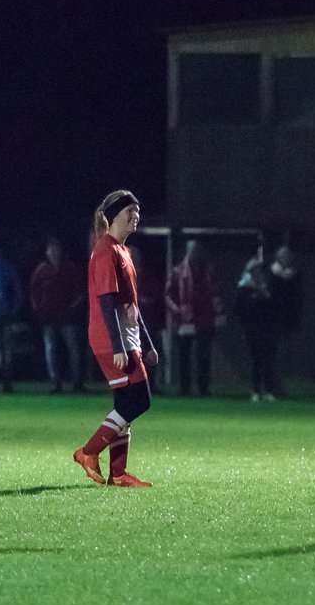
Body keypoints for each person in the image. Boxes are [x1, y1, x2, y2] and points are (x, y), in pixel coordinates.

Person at [72, 190, 157, 488]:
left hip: (127, 337)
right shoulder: (105, 250)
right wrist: (119, 345)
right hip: (113, 340)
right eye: (129, 212)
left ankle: (118, 474)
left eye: (137, 212)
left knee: (125, 403)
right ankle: (89, 451)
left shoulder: (123, 251)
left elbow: (131, 305)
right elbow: (106, 301)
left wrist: (146, 343)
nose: (135, 217)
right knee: (140, 400)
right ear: (114, 216)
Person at [165, 239, 223, 396]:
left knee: (204, 355)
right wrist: (178, 311)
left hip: (204, 319)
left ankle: (204, 388)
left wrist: (217, 314)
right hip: (185, 320)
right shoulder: (177, 272)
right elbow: (169, 295)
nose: (196, 255)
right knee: (184, 356)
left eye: (198, 251)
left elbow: (216, 294)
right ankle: (185, 388)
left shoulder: (208, 272)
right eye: (193, 251)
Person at [29, 236, 86, 393]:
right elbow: (33, 293)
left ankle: (77, 382)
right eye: (52, 250)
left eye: (57, 250)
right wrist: (38, 309)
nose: (54, 253)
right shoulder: (41, 270)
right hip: (48, 317)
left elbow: (79, 291)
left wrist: (72, 307)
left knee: (73, 349)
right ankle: (55, 383)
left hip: (67, 317)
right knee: (50, 350)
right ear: (47, 252)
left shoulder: (69, 269)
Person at [233, 256, 278, 401]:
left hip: (268, 330)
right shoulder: (244, 288)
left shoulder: (268, 288)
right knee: (257, 361)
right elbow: (240, 310)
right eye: (256, 270)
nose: (259, 273)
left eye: (260, 271)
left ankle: (269, 390)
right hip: (252, 330)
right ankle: (256, 390)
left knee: (269, 361)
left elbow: (274, 308)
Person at [0, 233, 24, 393]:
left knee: (4, 349)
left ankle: (6, 382)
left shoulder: (5, 266)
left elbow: (15, 288)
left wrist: (14, 306)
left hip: (3, 313)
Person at [268, 244, 302, 396]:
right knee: (272, 356)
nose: (286, 259)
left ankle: (277, 386)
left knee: (281, 357)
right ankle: (271, 386)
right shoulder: (271, 275)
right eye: (283, 256)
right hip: (271, 321)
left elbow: (297, 300)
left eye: (288, 256)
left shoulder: (295, 277)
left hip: (286, 321)